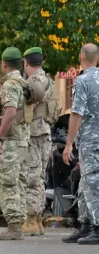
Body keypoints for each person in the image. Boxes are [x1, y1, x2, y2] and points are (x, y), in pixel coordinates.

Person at [62, 43, 99, 245]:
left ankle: (97, 226)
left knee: (92, 181)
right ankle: (86, 225)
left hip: (91, 140)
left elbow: (77, 113)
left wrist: (68, 145)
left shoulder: (83, 80)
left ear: (81, 57)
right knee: (85, 182)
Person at [0, 47, 30, 241]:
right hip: (24, 138)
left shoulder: (10, 85)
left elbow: (11, 112)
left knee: (8, 181)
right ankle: (19, 223)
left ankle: (14, 227)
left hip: (13, 140)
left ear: (4, 64)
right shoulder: (22, 82)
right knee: (19, 181)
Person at [22, 47, 59, 236]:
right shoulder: (49, 81)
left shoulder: (32, 83)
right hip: (46, 133)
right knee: (40, 177)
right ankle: (37, 221)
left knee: (32, 178)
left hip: (33, 133)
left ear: (26, 63)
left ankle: (31, 219)